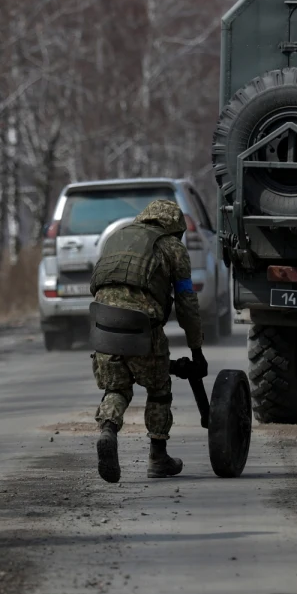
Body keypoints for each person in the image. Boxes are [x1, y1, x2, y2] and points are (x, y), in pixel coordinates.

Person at [90, 199, 207, 483]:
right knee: (158, 389)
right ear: (173, 226)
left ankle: (108, 429)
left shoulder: (116, 237)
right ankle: (158, 456)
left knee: (116, 388)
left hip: (104, 322)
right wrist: (196, 348)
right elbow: (186, 302)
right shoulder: (173, 248)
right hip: (143, 328)